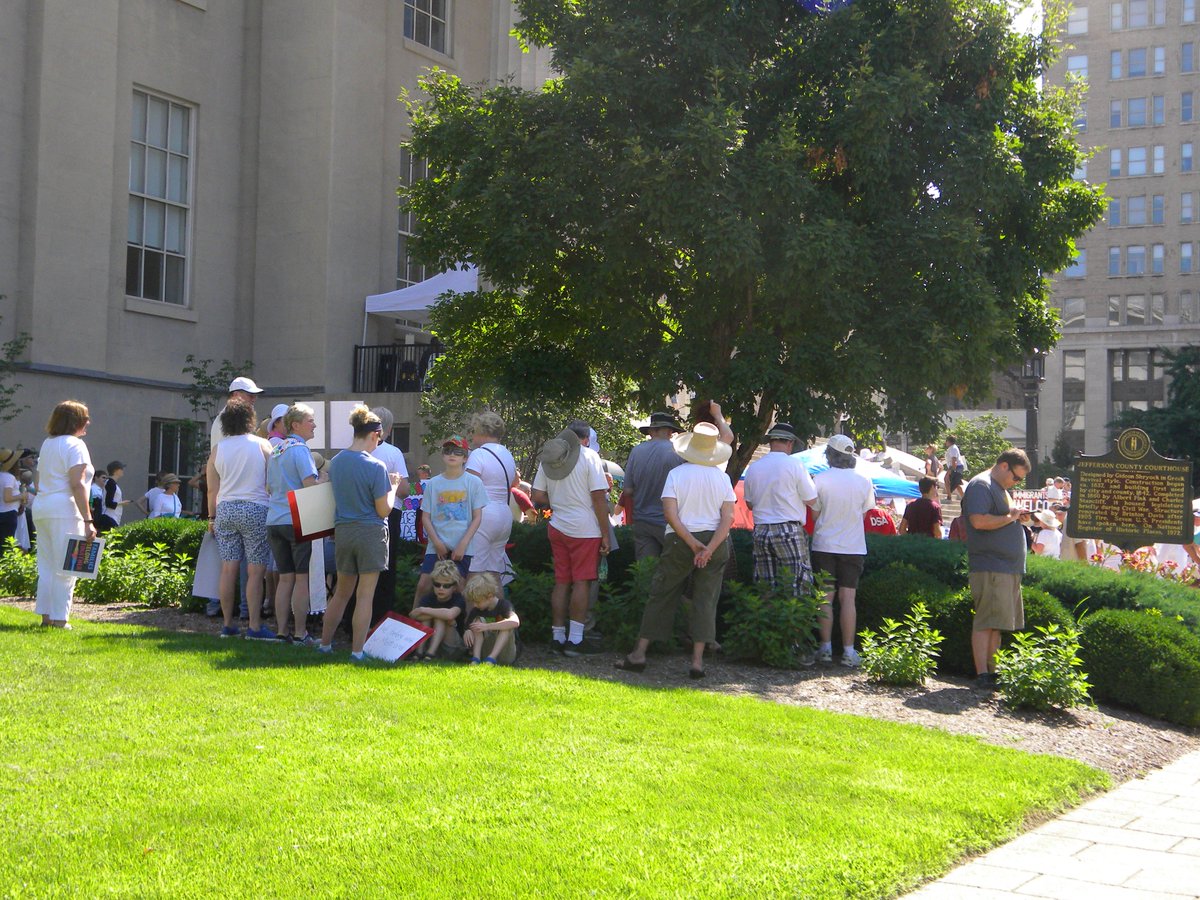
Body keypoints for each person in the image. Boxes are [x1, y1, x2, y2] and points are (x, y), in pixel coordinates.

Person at [614, 423, 735, 679]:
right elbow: (727, 519)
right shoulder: (722, 478)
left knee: (662, 594)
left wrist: (692, 543)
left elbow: (670, 514)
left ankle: (639, 653)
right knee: (705, 600)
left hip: (681, 540)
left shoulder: (677, 475)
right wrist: (709, 548)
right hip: (714, 541)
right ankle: (697, 662)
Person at [319, 406, 403, 659]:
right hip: (370, 533)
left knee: (341, 593)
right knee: (365, 595)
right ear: (376, 434)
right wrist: (394, 487)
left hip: (343, 531)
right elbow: (384, 510)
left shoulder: (338, 462)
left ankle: (325, 644)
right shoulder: (376, 466)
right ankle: (357, 651)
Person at [531, 421, 610, 656]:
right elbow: (598, 497)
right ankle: (575, 640)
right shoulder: (589, 457)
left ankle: (557, 636)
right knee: (582, 582)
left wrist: (558, 502)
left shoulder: (551, 456)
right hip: (585, 529)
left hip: (558, 525)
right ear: (585, 440)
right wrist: (606, 533)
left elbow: (536, 494)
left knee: (562, 581)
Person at [963, 448, 1032, 690]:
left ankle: (993, 672)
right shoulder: (981, 485)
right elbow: (978, 521)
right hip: (991, 566)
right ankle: (982, 673)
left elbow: (1002, 517)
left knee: (997, 622)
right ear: (1004, 466)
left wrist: (1015, 516)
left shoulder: (1000, 488)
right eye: (1016, 477)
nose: (1016, 482)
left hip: (1006, 567)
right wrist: (1011, 518)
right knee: (986, 620)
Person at [207, 400, 275, 640]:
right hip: (256, 508)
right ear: (250, 419)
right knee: (256, 572)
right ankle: (254, 627)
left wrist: (211, 517)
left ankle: (227, 625)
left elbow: (211, 490)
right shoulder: (262, 445)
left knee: (228, 569)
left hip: (225, 509)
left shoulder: (218, 449)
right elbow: (272, 482)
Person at [810, 435, 875, 667]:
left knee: (825, 597)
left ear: (829, 454)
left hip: (824, 544)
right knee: (848, 598)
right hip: (853, 546)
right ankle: (848, 652)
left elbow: (815, 514)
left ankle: (825, 648)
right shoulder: (864, 480)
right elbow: (865, 512)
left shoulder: (820, 479)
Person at [33, 400, 96, 628]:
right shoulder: (76, 445)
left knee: (47, 565)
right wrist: (88, 520)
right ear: (75, 421)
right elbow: (77, 484)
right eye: (85, 418)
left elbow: (38, 482)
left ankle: (46, 617)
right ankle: (61, 619)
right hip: (65, 510)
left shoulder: (48, 443)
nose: (88, 422)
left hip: (42, 507)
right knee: (68, 566)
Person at [266, 403, 322, 643]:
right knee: (301, 578)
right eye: (310, 420)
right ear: (296, 425)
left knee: (284, 578)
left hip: (274, 520)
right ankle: (300, 633)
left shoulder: (276, 450)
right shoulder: (300, 450)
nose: (315, 425)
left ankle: (281, 631)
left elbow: (268, 487)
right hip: (296, 519)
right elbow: (310, 486)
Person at [742, 422, 817, 601]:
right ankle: (795, 628)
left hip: (761, 530)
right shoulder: (795, 465)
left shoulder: (754, 467)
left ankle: (768, 626)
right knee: (797, 587)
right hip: (788, 529)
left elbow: (750, 505)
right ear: (790, 443)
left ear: (770, 442)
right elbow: (811, 499)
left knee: (765, 588)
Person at [414, 435, 486, 611]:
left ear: (465, 457)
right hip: (436, 547)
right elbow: (425, 517)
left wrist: (463, 544)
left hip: (463, 547)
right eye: (447, 451)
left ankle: (465, 630)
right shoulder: (433, 484)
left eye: (458, 452)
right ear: (442, 455)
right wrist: (437, 543)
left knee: (460, 588)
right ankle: (415, 629)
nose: (452, 455)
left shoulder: (474, 482)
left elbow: (477, 517)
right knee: (424, 585)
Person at [621, 411, 686, 560]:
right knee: (673, 571)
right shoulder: (679, 453)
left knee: (646, 572)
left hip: (642, 521)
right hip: (671, 523)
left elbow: (628, 490)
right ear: (669, 431)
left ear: (651, 431)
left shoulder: (636, 451)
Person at [465, 411, 518, 583]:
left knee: (474, 574)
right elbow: (514, 482)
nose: (472, 436)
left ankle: (474, 611)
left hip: (484, 516)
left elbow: (468, 489)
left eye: (474, 431)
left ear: (482, 431)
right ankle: (501, 610)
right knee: (494, 574)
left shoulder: (478, 454)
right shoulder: (507, 454)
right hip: (504, 514)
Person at [368, 406, 410, 625]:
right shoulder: (393, 453)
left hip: (362, 513)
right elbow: (403, 489)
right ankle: (381, 617)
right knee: (385, 567)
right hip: (389, 511)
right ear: (390, 428)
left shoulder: (355, 451)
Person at [409, 558, 467, 660]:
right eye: (437, 584)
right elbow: (413, 615)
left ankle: (430, 654)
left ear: (454, 587)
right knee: (427, 619)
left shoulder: (458, 599)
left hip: (453, 647)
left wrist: (423, 610)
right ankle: (419, 652)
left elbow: (450, 614)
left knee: (440, 619)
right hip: (431, 641)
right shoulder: (428, 598)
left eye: (446, 586)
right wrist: (428, 613)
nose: (441, 588)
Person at [463, 572, 520, 665]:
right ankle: (476, 658)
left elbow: (515, 622)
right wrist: (467, 631)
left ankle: (491, 658)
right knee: (477, 621)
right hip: (485, 652)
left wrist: (487, 626)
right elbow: (468, 627)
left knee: (506, 625)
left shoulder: (504, 605)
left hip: (506, 654)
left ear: (489, 596)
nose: (475, 605)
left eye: (477, 602)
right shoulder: (476, 611)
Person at [210, 376, 262, 450]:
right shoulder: (231, 419)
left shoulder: (230, 416)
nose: (254, 399)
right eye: (250, 395)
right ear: (236, 395)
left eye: (255, 396)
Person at [0, 447, 27, 551]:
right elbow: (7, 498)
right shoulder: (8, 477)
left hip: (3, 512)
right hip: (8, 513)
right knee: (6, 545)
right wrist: (22, 496)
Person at [97, 461, 130, 532]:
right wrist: (122, 503)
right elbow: (109, 503)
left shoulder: (110, 483)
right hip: (109, 518)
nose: (122, 470)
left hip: (110, 517)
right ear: (116, 471)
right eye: (121, 468)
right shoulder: (111, 483)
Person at [944, 436, 965, 501]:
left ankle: (949, 497)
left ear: (949, 441)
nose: (945, 442)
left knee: (946, 479)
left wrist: (951, 470)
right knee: (957, 484)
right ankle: (964, 499)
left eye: (946, 441)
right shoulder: (952, 448)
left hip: (956, 467)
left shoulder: (953, 448)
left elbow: (954, 460)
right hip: (957, 467)